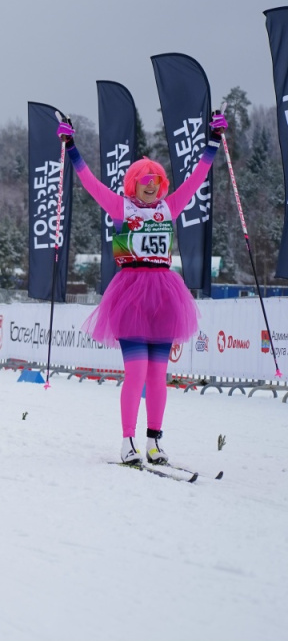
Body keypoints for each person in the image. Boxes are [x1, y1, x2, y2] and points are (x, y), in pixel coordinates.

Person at [57, 111, 227, 465]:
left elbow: (197, 178)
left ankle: (154, 441)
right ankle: (127, 442)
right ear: (132, 183)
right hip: (131, 295)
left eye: (157, 180)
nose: (151, 185)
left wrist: (213, 141)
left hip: (165, 295)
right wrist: (71, 146)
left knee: (158, 375)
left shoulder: (169, 207)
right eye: (144, 179)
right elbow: (89, 182)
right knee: (135, 373)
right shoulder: (120, 207)